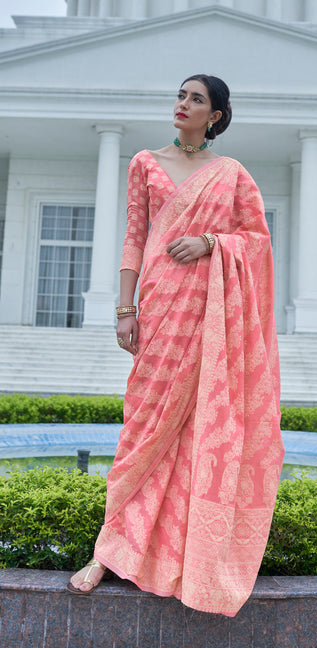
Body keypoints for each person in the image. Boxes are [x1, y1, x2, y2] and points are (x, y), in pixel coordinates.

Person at [68, 74, 285, 617]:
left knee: (196, 434)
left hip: (209, 316)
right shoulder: (145, 162)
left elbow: (257, 240)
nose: (182, 105)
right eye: (180, 96)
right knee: (142, 427)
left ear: (215, 115)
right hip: (161, 308)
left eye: (195, 99)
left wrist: (211, 242)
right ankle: (108, 550)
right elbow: (135, 236)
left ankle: (183, 555)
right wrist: (125, 308)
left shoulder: (231, 175)